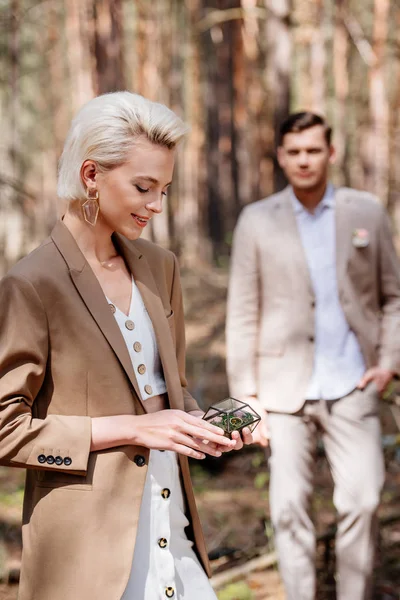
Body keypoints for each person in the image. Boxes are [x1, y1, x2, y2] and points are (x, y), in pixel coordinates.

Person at [0, 91, 253, 600]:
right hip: (86, 551)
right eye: (144, 187)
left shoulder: (161, 266)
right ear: (91, 175)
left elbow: (170, 389)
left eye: (165, 189)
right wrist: (135, 428)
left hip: (174, 520)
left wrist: (205, 426)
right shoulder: (32, 283)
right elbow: (6, 431)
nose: (157, 205)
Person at [226, 111, 400, 600]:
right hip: (281, 392)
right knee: (288, 509)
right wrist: (247, 397)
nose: (304, 160)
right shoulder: (256, 220)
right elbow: (242, 311)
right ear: (281, 157)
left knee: (363, 500)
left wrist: (387, 362)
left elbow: (393, 297)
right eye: (294, 152)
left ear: (331, 152)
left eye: (313, 150)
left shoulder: (366, 211)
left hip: (354, 385)